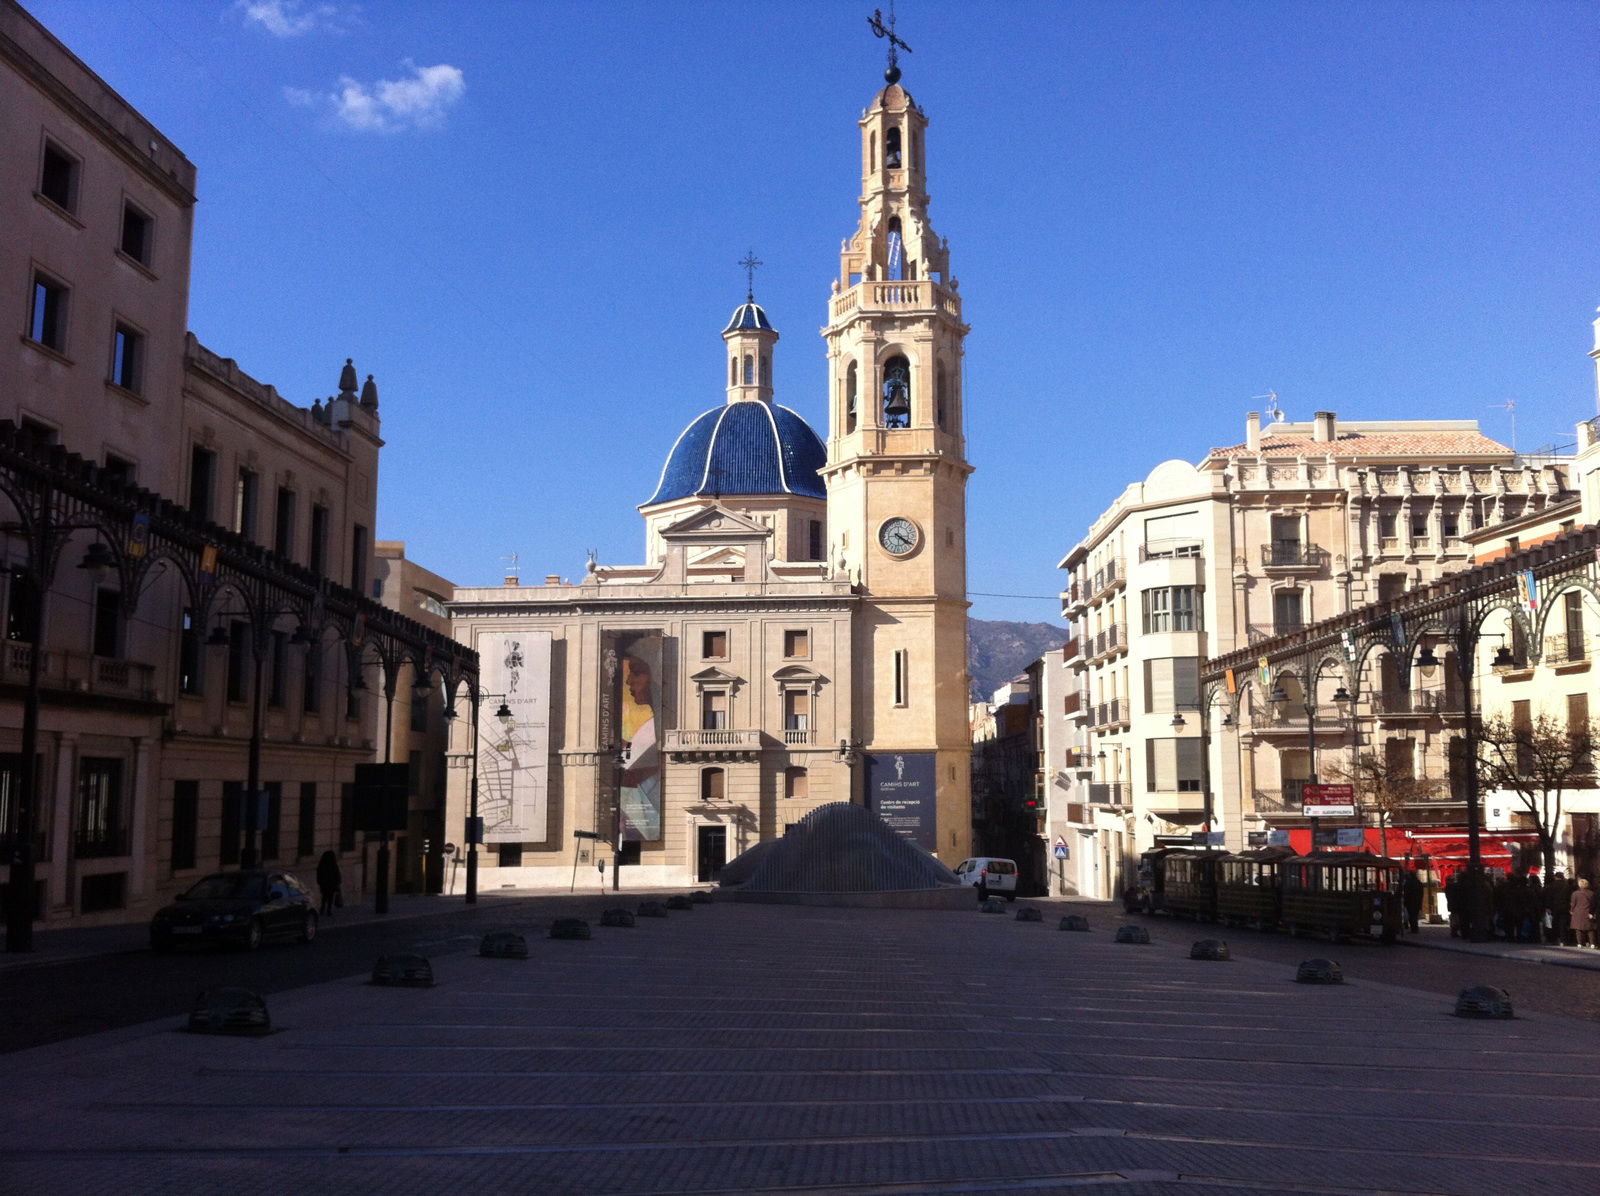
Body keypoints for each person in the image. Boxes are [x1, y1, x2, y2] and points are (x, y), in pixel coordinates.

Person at [1546, 871, 1572, 946]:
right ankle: (1563, 940)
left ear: (1556, 877)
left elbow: (1549, 897)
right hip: (1565, 907)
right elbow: (1569, 897)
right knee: (1563, 924)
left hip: (1554, 907)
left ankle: (1555, 939)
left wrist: (1548, 907)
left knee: (1554, 924)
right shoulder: (1567, 886)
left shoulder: (1551, 886)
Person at [1571, 878, 1596, 949]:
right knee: (1590, 929)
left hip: (1578, 912)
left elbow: (1573, 904)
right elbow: (1593, 903)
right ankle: (1592, 943)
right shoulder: (1591, 893)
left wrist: (1571, 910)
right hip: (1588, 912)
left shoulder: (1575, 893)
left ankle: (1580, 943)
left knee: (1578, 929)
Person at [316, 849, 342, 917]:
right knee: (330, 898)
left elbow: (319, 874)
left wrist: (320, 882)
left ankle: (322, 909)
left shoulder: (322, 864)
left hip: (324, 884)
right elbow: (337, 874)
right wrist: (338, 883)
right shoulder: (333, 865)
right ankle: (328, 910)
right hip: (331, 884)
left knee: (324, 897)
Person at [1402, 869, 1423, 935]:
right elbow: (1421, 893)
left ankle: (1413, 929)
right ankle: (1415, 928)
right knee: (1414, 915)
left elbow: (1406, 893)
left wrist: (1405, 901)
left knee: (1411, 916)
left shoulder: (1408, 883)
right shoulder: (1418, 882)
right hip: (1417, 901)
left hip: (1410, 902)